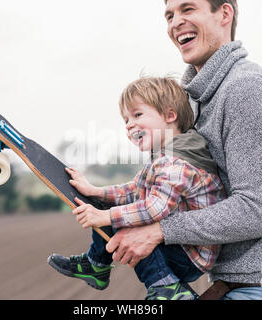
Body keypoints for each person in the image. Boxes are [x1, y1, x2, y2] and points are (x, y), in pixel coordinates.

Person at [104, 0, 262, 300]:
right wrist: (108, 200)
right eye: (169, 15)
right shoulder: (196, 99)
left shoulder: (245, 91)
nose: (175, 22)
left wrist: (158, 231)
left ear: (224, 14)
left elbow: (256, 211)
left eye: (187, 9)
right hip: (233, 285)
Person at [47, 76, 226, 300]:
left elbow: (153, 209)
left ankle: (167, 288)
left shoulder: (175, 162)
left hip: (189, 255)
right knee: (116, 210)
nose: (130, 124)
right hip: (179, 246)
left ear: (170, 116)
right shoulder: (164, 156)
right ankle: (97, 265)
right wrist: (97, 192)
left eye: (138, 115)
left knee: (125, 223)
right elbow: (133, 190)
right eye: (126, 120)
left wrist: (105, 216)